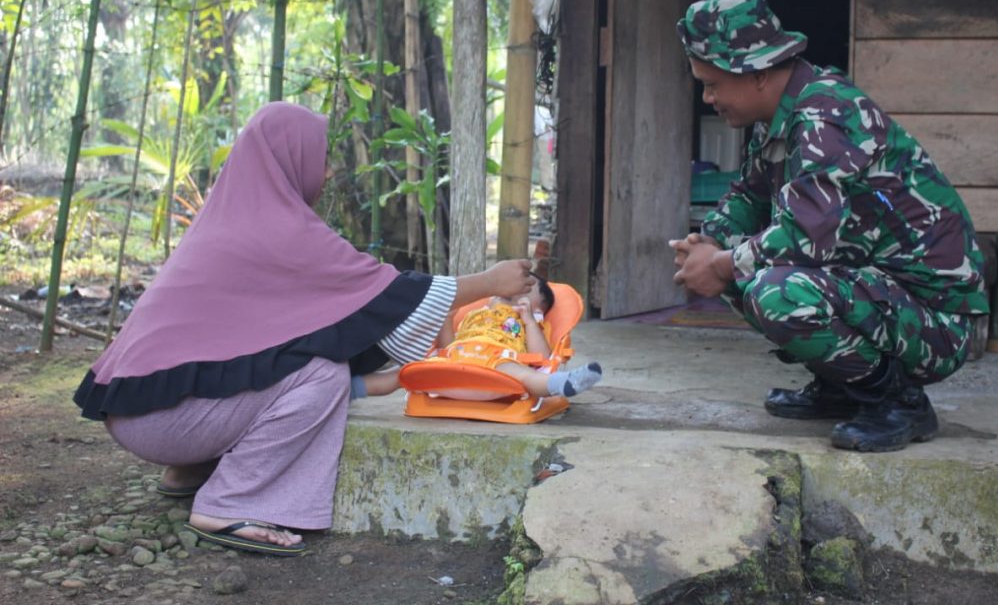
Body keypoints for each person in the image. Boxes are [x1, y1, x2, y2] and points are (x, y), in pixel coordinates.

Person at [73, 102, 537, 556]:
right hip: (165, 422)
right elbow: (382, 295)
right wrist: (488, 283)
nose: (329, 172)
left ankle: (188, 471)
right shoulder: (278, 230)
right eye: (322, 158)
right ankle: (228, 503)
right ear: (286, 158)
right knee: (321, 373)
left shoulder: (228, 219)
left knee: (277, 358)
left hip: (137, 413)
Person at [669, 0, 988, 452]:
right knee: (742, 274)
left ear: (756, 73)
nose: (708, 97)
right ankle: (842, 385)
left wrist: (718, 263)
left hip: (936, 320)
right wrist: (706, 242)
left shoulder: (826, 116)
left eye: (713, 83)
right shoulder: (782, 116)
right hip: (879, 292)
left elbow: (804, 235)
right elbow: (747, 195)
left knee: (772, 290)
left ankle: (900, 403)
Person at [354, 277, 603, 400]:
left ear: (538, 307)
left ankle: (561, 384)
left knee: (528, 376)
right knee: (404, 372)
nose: (516, 291)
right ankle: (349, 388)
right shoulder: (475, 313)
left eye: (527, 290)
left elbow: (543, 359)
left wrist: (528, 321)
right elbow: (448, 347)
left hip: (497, 364)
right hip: (455, 363)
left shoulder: (531, 321)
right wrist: (447, 320)